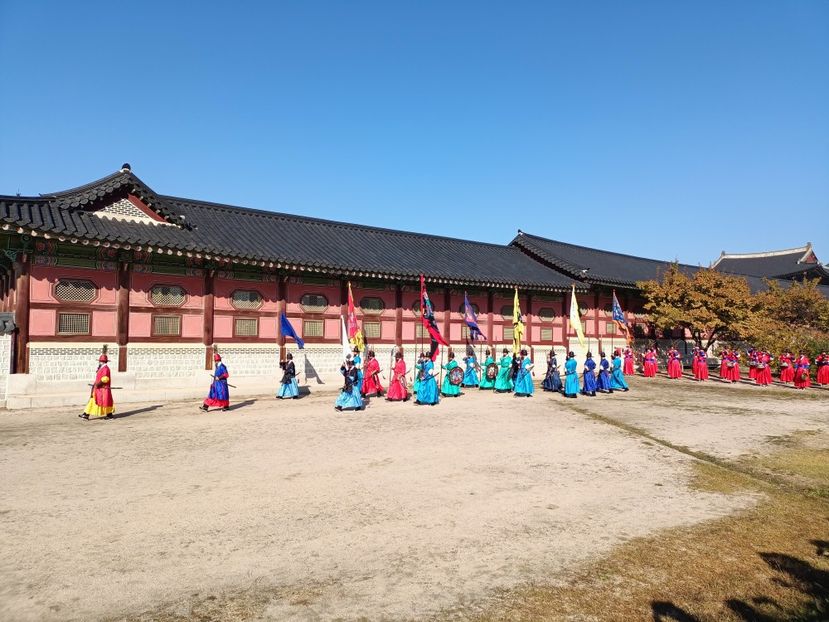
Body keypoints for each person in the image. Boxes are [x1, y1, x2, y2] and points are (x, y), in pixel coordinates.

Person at [81, 351, 115, 420]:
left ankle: (86, 415)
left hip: (102, 388)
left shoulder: (105, 368)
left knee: (102, 401)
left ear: (102, 362)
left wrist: (98, 384)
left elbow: (105, 379)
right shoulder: (102, 368)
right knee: (95, 400)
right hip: (99, 388)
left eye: (100, 361)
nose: (99, 362)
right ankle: (86, 414)